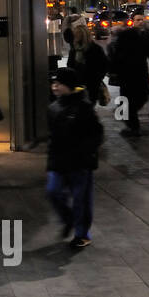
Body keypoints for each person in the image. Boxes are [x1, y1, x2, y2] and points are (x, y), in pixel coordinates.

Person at [45, 67, 103, 248]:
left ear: (69, 85)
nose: (54, 87)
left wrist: (85, 152)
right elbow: (53, 136)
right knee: (53, 191)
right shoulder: (53, 108)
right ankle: (69, 219)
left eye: (58, 83)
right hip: (59, 160)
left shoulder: (84, 107)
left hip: (80, 162)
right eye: (53, 83)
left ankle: (82, 234)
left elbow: (96, 134)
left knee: (81, 199)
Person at [107, 22, 149, 137]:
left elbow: (114, 62)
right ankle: (131, 124)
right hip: (140, 79)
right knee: (136, 101)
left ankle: (131, 125)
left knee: (127, 102)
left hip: (126, 80)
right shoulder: (140, 49)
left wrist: (112, 72)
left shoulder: (121, 48)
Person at [67, 24, 108, 106]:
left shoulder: (95, 49)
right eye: (75, 33)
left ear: (83, 35)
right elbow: (70, 65)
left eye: (78, 33)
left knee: (89, 105)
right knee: (78, 105)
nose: (75, 35)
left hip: (91, 85)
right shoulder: (74, 49)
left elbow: (104, 65)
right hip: (77, 84)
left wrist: (98, 78)